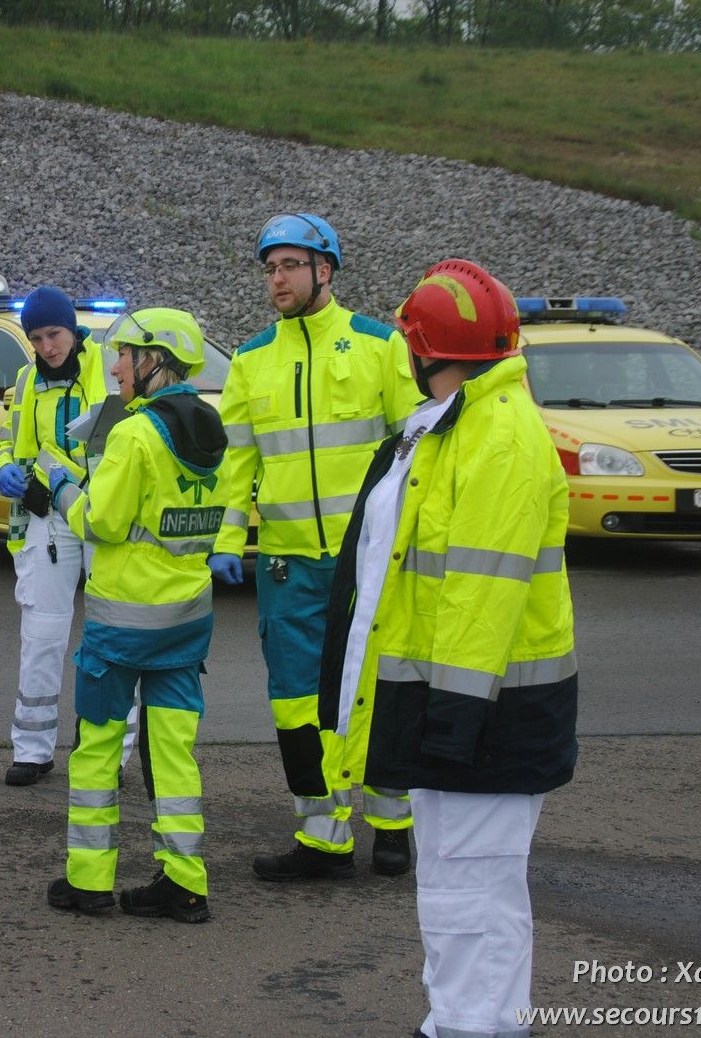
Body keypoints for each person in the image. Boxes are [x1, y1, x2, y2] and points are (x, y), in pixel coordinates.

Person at [317, 260, 578, 1037]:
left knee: (467, 893)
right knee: (471, 889)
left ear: (425, 349)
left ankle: (469, 1025)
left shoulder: (494, 438)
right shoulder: (451, 427)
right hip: (459, 708)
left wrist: (450, 724)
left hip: (483, 716)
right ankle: (479, 1021)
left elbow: (479, 596)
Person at [208, 213, 422, 879]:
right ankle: (323, 836)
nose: (278, 278)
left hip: (368, 561)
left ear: (324, 270)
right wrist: (223, 537)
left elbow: (417, 445)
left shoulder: (379, 345)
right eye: (270, 268)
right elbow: (235, 461)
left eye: (291, 265)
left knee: (379, 691)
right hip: (287, 562)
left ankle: (392, 822)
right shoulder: (250, 357)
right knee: (297, 700)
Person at [43, 309, 226, 924]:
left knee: (95, 749)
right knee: (175, 753)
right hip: (185, 623)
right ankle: (184, 881)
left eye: (125, 354)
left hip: (122, 626)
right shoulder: (211, 429)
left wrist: (62, 486)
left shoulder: (135, 434)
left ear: (157, 362)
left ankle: (89, 881)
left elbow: (102, 522)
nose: (116, 365)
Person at [0, 286, 137, 787]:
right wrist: (5, 468)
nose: (47, 346)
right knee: (42, 633)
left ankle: (110, 753)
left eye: (54, 334)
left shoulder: (110, 368)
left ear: (72, 331)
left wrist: (66, 479)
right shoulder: (28, 378)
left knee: (112, 631)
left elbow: (122, 444)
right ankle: (32, 749)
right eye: (36, 337)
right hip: (49, 517)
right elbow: (9, 439)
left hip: (100, 514)